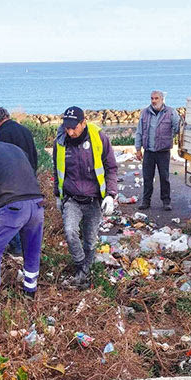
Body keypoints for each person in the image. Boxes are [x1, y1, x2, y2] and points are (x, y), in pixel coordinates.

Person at [0, 129, 44, 308]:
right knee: (32, 250)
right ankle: (30, 290)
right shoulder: (16, 150)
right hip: (36, 204)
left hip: (13, 208)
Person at [53, 106, 117, 289]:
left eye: (74, 127)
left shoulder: (99, 139)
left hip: (93, 199)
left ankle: (83, 277)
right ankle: (82, 266)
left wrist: (110, 195)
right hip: (72, 199)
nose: (70, 132)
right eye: (67, 127)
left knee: (90, 240)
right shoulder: (61, 141)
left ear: (84, 123)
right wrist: (58, 194)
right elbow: (56, 170)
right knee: (70, 231)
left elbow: (111, 168)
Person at [0, 106, 39, 256]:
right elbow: (34, 155)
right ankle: (27, 248)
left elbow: (3, 160)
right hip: (29, 179)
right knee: (27, 215)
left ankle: (17, 249)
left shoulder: (2, 134)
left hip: (12, 183)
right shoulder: (24, 130)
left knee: (12, 215)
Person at [134, 90, 181, 211]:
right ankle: (146, 201)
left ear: (162, 99)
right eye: (152, 98)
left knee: (164, 177)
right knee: (147, 177)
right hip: (149, 151)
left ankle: (166, 201)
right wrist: (138, 149)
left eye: (156, 98)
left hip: (163, 151)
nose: (154, 101)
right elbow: (139, 132)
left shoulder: (171, 112)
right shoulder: (144, 113)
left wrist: (181, 128)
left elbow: (178, 128)